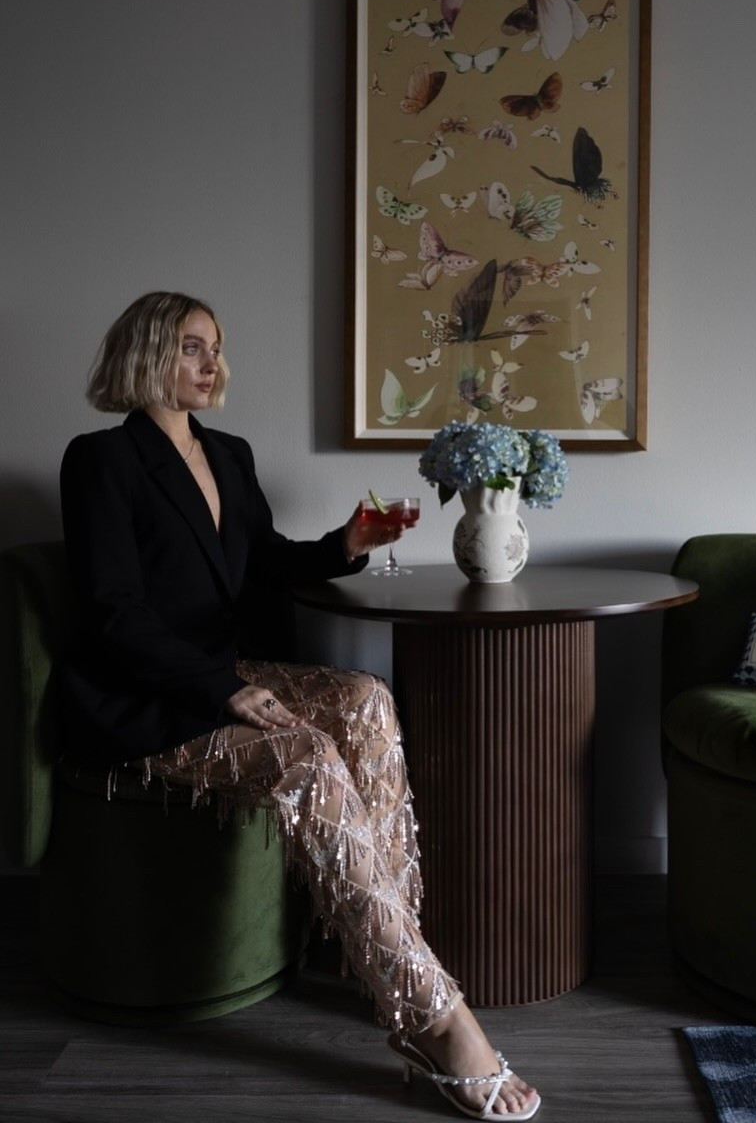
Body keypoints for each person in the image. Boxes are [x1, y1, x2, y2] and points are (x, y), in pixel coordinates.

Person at [57, 291, 540, 1122]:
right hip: (146, 696)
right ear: (146, 353)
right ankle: (433, 1018)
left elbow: (262, 565)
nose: (213, 363)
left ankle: (388, 964)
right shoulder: (101, 459)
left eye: (216, 347)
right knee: (308, 757)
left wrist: (345, 546)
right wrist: (223, 690)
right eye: (193, 347)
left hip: (223, 669)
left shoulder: (228, 453)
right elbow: (114, 613)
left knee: (366, 699)